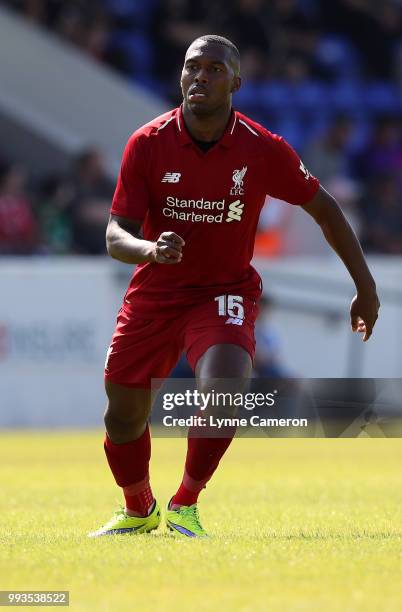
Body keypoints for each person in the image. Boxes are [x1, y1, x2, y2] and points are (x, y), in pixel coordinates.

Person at [88, 34, 380, 538]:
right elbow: (116, 233)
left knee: (225, 391)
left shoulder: (263, 149)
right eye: (191, 67)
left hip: (224, 290)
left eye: (214, 69)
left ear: (236, 82)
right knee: (122, 415)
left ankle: (185, 503)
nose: (199, 76)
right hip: (156, 291)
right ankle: (139, 509)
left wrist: (365, 286)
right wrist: (151, 250)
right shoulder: (148, 143)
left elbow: (326, 211)